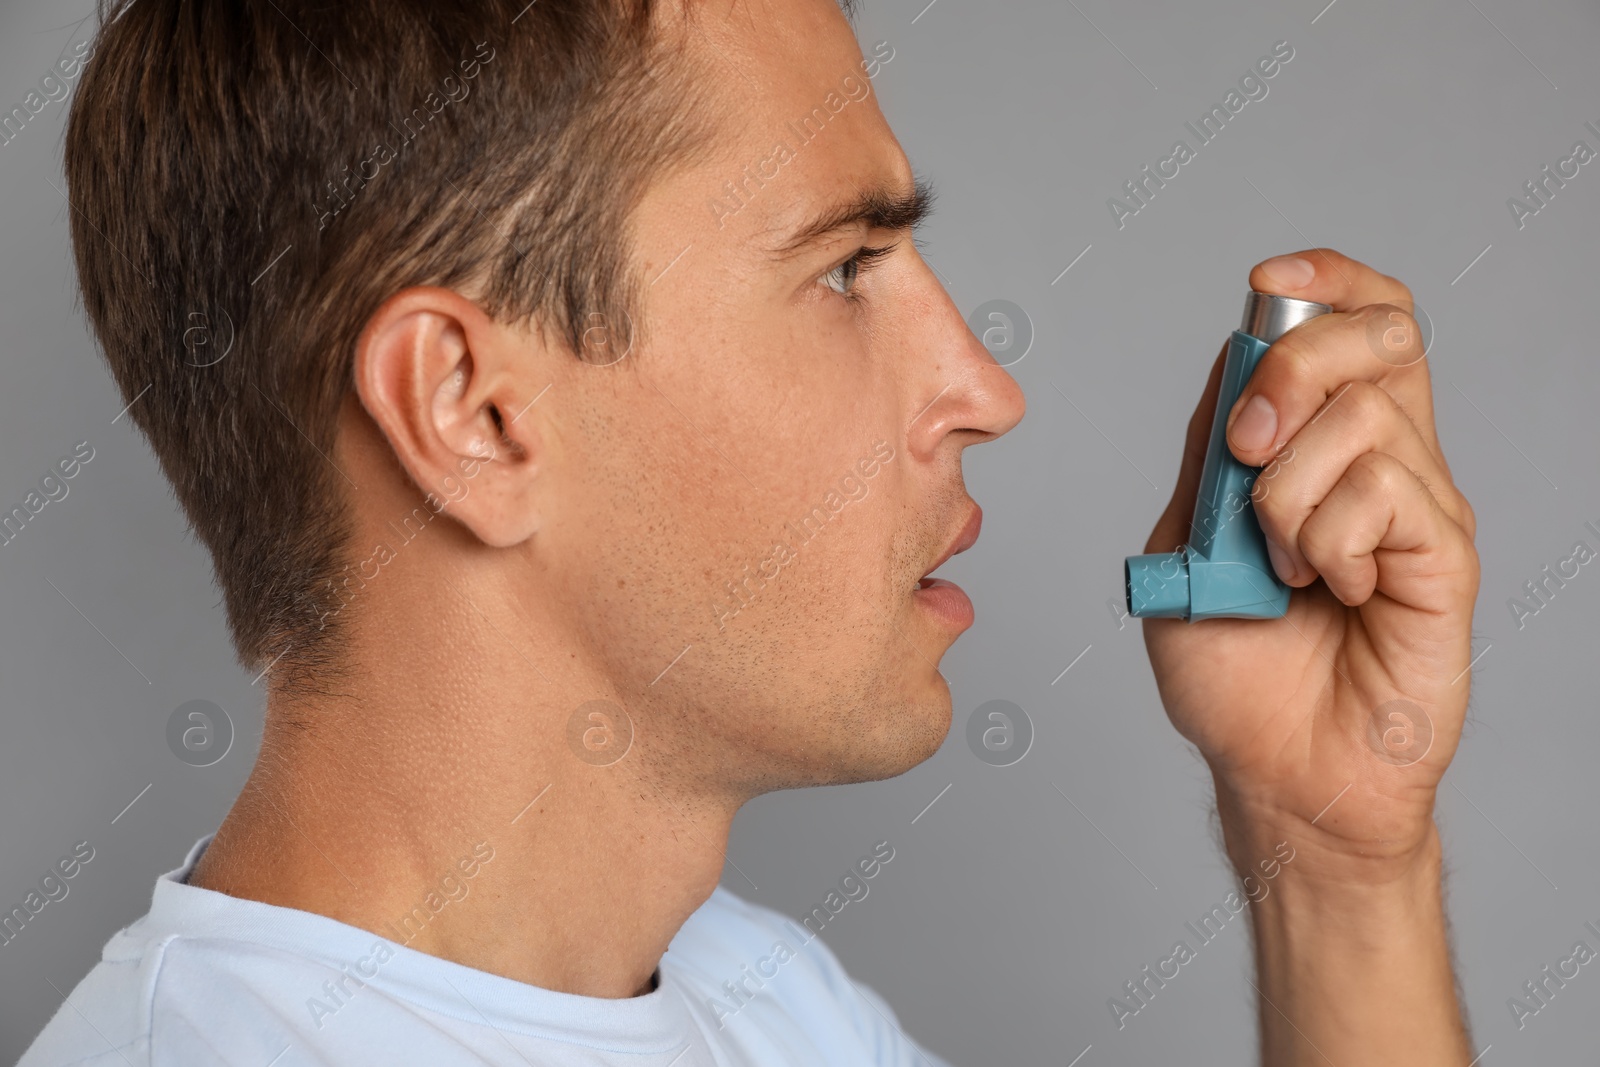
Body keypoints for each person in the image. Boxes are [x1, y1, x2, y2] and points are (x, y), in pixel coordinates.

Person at [23, 0, 1481, 1063]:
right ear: (470, 413)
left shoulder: (771, 1007)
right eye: (848, 267)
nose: (984, 388)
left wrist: (1337, 862)